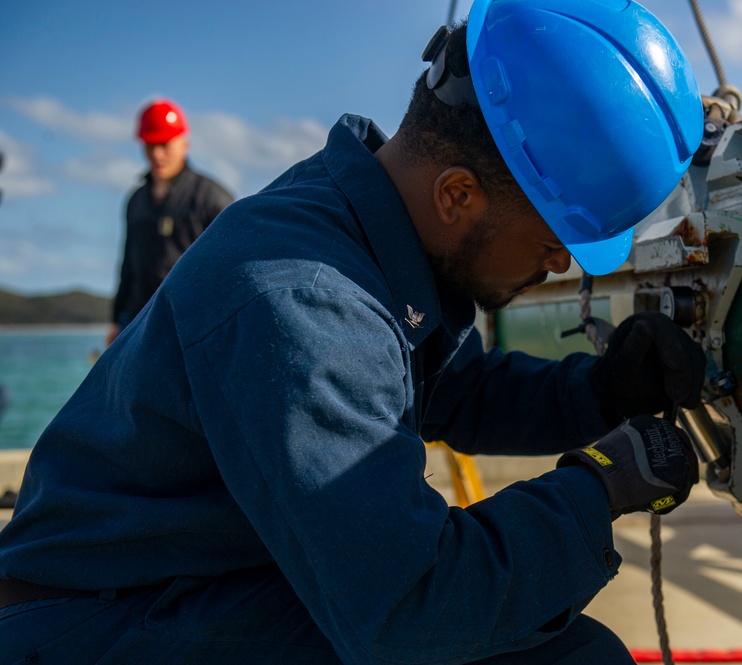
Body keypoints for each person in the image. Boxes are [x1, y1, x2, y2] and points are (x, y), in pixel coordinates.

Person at [0, 1, 706, 663]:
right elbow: (410, 606)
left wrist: (603, 391)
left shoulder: (358, 231)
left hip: (183, 578)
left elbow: (450, 388)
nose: (557, 264)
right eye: (554, 240)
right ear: (457, 194)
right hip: (90, 625)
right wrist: (598, 486)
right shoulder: (303, 303)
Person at [106, 98, 234, 346]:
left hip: (190, 320)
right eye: (150, 145)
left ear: (183, 144)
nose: (157, 154)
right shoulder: (136, 200)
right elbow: (127, 264)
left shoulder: (211, 197)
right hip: (136, 318)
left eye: (164, 145)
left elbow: (233, 264)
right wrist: (115, 320)